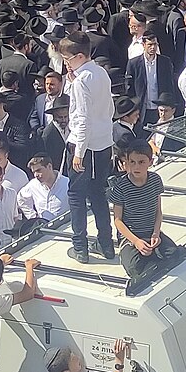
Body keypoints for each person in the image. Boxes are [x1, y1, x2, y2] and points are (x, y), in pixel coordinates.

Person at [58, 38, 116, 263]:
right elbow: (108, 109)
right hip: (103, 142)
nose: (66, 64)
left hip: (84, 144)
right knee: (98, 193)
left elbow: (82, 119)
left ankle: (80, 246)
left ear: (79, 56)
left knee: (76, 195)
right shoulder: (101, 73)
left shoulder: (82, 80)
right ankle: (106, 243)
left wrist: (79, 152)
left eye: (67, 59)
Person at [107, 135, 174, 286]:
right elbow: (118, 221)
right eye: (132, 162)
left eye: (141, 162)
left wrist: (156, 233)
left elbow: (158, 211)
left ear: (150, 162)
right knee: (135, 269)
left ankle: (153, 255)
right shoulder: (121, 187)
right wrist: (136, 241)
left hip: (151, 232)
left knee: (174, 255)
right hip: (131, 238)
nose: (136, 167)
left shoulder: (155, 180)